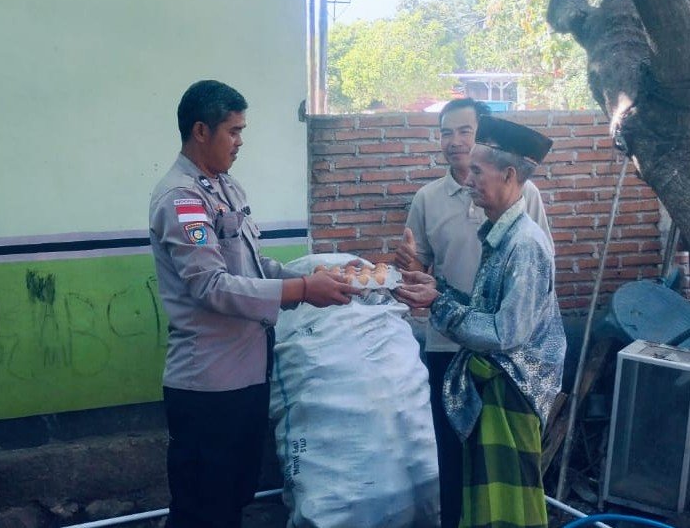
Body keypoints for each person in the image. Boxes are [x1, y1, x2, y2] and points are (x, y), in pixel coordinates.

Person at [149, 80, 361, 528]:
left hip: (246, 374)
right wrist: (302, 291)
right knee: (202, 508)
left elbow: (249, 264)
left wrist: (307, 278)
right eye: (234, 131)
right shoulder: (183, 200)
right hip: (208, 384)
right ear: (201, 131)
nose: (241, 142)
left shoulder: (226, 188)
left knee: (233, 498)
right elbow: (212, 286)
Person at [396, 116, 566, 528]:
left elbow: (503, 334)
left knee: (506, 512)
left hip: (512, 393)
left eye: (477, 171)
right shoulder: (501, 234)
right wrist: (435, 287)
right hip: (492, 387)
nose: (468, 179)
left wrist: (438, 303)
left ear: (509, 175)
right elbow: (485, 310)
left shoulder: (524, 244)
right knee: (485, 507)